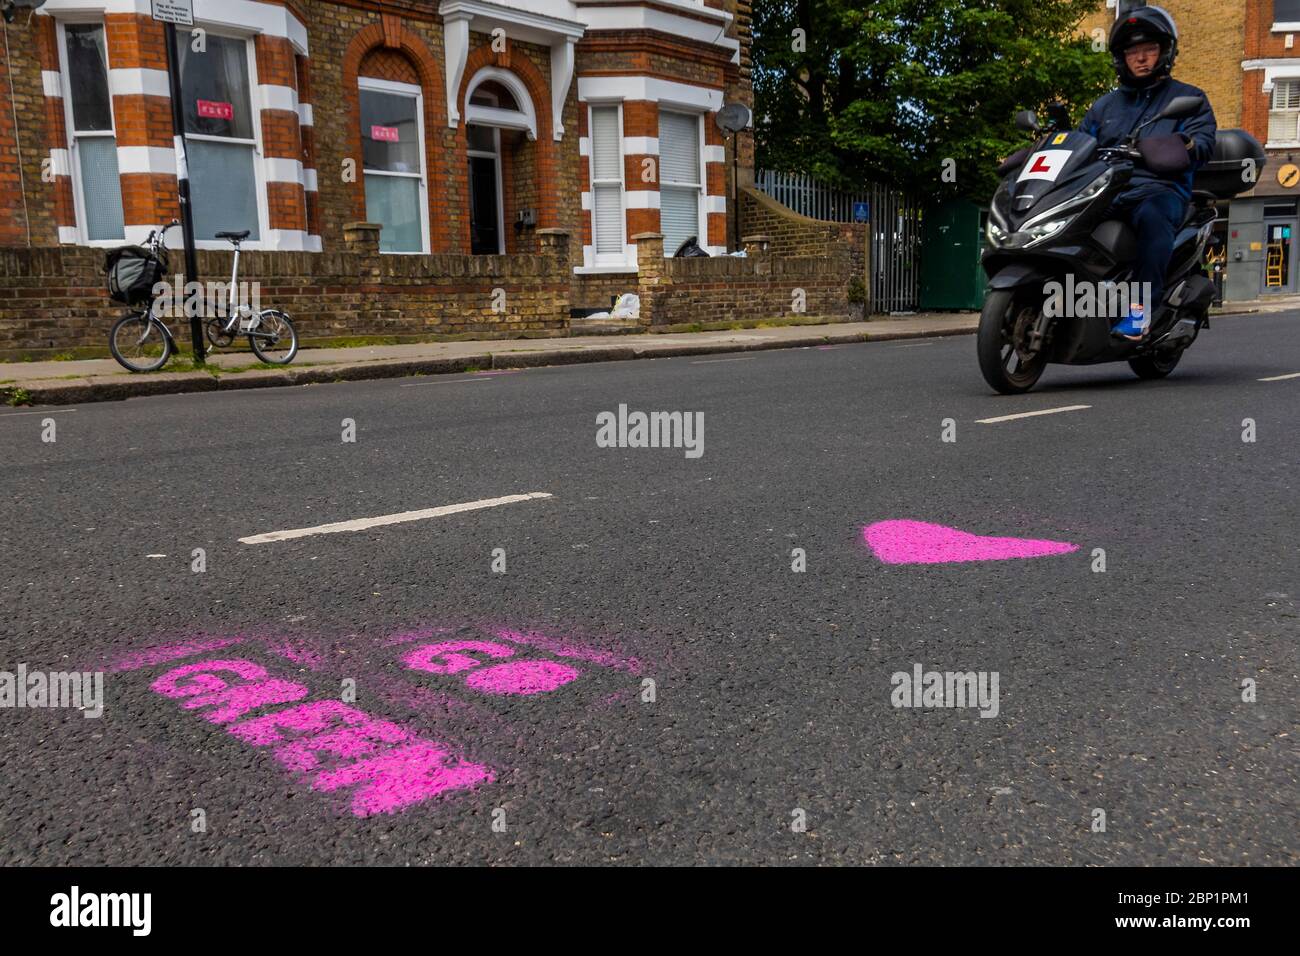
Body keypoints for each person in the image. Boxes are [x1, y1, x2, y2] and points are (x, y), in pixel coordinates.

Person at [1079, 5, 1217, 340]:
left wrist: (1179, 146)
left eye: (1149, 50)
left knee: (1152, 216)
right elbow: (1081, 144)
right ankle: (1072, 300)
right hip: (1108, 190)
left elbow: (1202, 143)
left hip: (1160, 189)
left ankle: (1140, 312)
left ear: (1165, 52)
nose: (1140, 58)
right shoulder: (1104, 106)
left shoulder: (1189, 98)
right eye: (1133, 51)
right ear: (1121, 58)